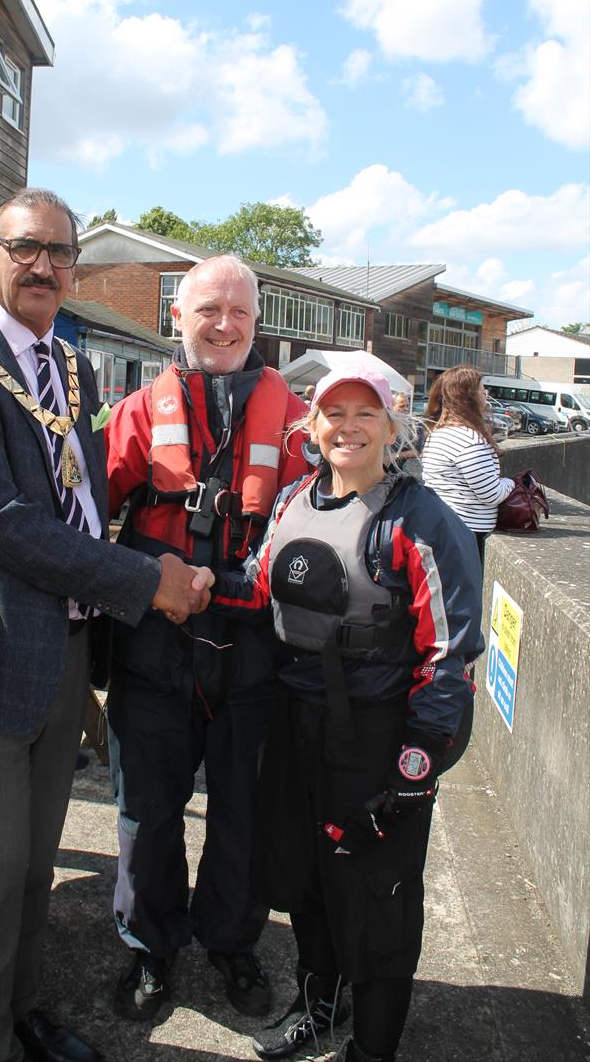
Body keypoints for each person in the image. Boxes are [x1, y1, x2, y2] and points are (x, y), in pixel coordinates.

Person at [0, 188, 210, 1062]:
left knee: (34, 869)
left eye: (59, 253)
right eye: (24, 248)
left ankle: (21, 1012)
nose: (42, 266)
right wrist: (147, 581)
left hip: (60, 650)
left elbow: (79, 495)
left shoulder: (72, 363)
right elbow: (2, 521)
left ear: (76, 269)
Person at [212, 362, 483, 1062]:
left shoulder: (421, 521)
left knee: (376, 897)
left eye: (366, 414)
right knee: (305, 877)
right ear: (313, 424)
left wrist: (417, 761)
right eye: (335, 413)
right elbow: (258, 587)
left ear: (393, 426)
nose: (349, 427)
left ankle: (373, 1045)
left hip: (378, 736)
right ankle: (319, 1005)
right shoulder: (294, 500)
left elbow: (449, 654)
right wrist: (192, 584)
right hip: (296, 724)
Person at [104, 255, 310, 1022]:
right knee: (146, 815)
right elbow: (79, 523)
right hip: (155, 652)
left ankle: (232, 943)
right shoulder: (133, 414)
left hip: (253, 656)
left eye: (240, 314)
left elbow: (321, 528)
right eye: (208, 311)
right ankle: (150, 947)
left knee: (242, 819)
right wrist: (145, 568)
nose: (224, 326)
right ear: (177, 317)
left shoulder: (294, 420)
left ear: (257, 323)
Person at [421, 365, 514, 564]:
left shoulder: (439, 433)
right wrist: (511, 483)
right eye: (482, 389)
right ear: (469, 396)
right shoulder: (469, 439)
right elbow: (491, 494)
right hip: (467, 533)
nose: (486, 393)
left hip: (444, 527)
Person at [388, 392, 424, 481]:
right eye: (402, 406)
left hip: (408, 474)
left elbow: (417, 451)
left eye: (407, 405)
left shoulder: (415, 425)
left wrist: (395, 456)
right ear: (392, 406)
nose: (406, 409)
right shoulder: (385, 424)